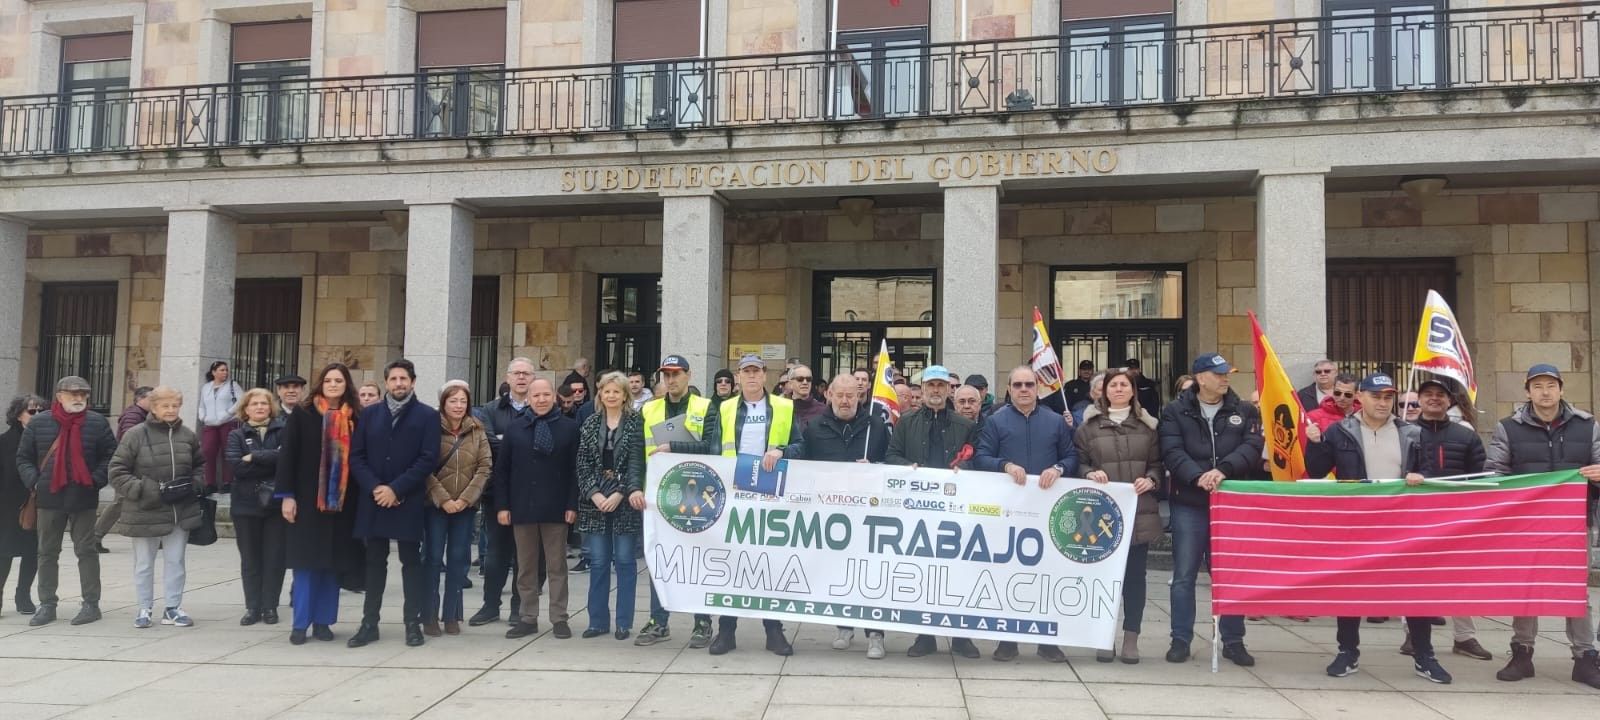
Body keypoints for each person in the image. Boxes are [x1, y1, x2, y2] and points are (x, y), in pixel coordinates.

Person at [1302, 372, 1451, 683]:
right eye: (1376, 396)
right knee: (1350, 589)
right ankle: (1347, 652)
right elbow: (1316, 470)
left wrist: (1419, 476)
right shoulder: (1340, 431)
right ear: (1361, 399)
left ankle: (1424, 656)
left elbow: (1430, 470)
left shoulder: (1411, 432)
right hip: (1356, 524)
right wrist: (1314, 443)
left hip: (1403, 524)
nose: (1383, 403)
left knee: (1414, 589)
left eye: (1388, 397)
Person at [1484, 364, 1600, 688]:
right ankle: (1522, 652)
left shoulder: (1587, 425)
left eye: (1551, 385)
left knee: (1576, 588)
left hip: (1573, 521)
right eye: (1538, 386)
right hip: (1526, 524)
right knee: (1527, 585)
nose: (1545, 392)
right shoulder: (1508, 427)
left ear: (1561, 389)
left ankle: (1585, 656)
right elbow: (1494, 472)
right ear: (1527, 391)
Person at [1159, 353, 1259, 667]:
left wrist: (1224, 470)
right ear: (1201, 378)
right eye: (1218, 374)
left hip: (1229, 503)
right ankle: (1180, 640)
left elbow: (1252, 447)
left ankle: (1233, 640)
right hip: (1190, 502)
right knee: (1184, 576)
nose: (1225, 378)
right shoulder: (1176, 411)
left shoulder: (1244, 410)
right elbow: (1171, 450)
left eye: (1227, 373)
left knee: (1229, 574)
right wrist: (1197, 476)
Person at [972, 366, 1077, 663]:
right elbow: (982, 457)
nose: (1023, 389)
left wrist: (1058, 469)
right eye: (1017, 384)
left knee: (1048, 576)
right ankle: (1008, 640)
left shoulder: (1056, 422)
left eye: (1029, 384)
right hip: (1010, 512)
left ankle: (1047, 641)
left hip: (1047, 511)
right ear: (1008, 388)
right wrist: (1005, 465)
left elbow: (1072, 456)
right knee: (1010, 575)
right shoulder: (995, 421)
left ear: (1038, 388)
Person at [709, 354, 804, 656]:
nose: (751, 376)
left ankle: (773, 632)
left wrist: (782, 451)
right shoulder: (724, 408)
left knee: (768, 565)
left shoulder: (784, 407)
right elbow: (713, 449)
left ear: (765, 375)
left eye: (756, 371)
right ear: (737, 377)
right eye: (746, 371)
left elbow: (802, 448)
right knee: (732, 565)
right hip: (733, 495)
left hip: (770, 495)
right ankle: (726, 631)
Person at [885, 365, 981, 660]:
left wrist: (962, 468)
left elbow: (977, 459)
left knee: (958, 572)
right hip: (919, 511)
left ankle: (961, 636)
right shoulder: (906, 422)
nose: (936, 391)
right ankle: (924, 636)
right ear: (922, 390)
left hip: (956, 510)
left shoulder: (965, 425)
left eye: (941, 385)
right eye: (931, 386)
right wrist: (906, 467)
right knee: (925, 573)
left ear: (949, 389)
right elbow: (891, 455)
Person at [794, 373, 891, 658]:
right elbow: (803, 466)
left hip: (869, 515)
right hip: (832, 517)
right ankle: (844, 626)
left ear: (860, 397)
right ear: (830, 396)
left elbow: (892, 461)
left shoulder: (876, 426)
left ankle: (875, 634)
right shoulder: (814, 427)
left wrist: (874, 466)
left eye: (852, 395)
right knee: (840, 573)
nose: (846, 400)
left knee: (872, 574)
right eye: (841, 395)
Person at [1397, 377, 1493, 662]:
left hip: (1456, 519)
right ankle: (1412, 634)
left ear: (1449, 401)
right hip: (1414, 517)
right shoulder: (1405, 433)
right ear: (1420, 400)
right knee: (1413, 577)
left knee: (1459, 576)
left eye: (1440, 394)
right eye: (1428, 394)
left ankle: (1465, 637)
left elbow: (1481, 477)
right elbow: (1396, 471)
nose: (1434, 398)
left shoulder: (1466, 436)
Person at [348, 359, 440, 649]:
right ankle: (369, 623)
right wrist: (377, 488)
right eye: (393, 379)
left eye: (404, 378)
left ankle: (412, 624)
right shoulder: (370, 414)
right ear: (386, 383)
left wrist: (396, 488)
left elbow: (428, 458)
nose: (399, 383)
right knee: (374, 563)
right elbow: (356, 457)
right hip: (373, 499)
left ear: (413, 382)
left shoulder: (427, 416)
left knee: (411, 563)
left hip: (407, 499)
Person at [1077, 369, 1163, 665]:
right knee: (1103, 580)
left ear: (1132, 390)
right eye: (1112, 385)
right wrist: (1089, 473)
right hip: (1100, 517)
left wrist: (1151, 479)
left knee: (1135, 579)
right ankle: (1104, 637)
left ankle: (1131, 638)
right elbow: (1078, 462)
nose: (1118, 389)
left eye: (1123, 384)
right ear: (1103, 391)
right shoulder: (1088, 428)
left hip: (1137, 513)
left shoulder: (1148, 426)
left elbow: (1158, 464)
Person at [276, 363, 365, 645]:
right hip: (307, 499)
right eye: (328, 380)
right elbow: (288, 456)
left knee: (331, 563)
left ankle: (324, 622)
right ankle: (300, 623)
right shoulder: (304, 414)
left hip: (342, 502)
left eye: (339, 380)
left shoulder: (356, 416)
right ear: (321, 383)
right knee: (306, 563)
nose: (334, 384)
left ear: (346, 384)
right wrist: (287, 496)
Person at [18, 376, 116, 627]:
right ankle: (47, 604)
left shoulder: (97, 423)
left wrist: (95, 480)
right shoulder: (39, 422)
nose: (78, 398)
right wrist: (35, 481)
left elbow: (111, 456)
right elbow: (24, 458)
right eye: (72, 394)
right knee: (47, 552)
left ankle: (91, 604)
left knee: (86, 551)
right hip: (49, 497)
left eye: (83, 394)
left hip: (83, 496)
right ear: (59, 396)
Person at [637, 354, 721, 648]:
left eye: (676, 374)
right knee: (660, 560)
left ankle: (702, 622)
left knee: (698, 561)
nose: (671, 380)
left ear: (688, 375)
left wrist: (674, 445)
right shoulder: (649, 409)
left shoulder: (706, 407)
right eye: (666, 375)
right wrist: (636, 487)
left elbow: (713, 446)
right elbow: (638, 452)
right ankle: (658, 621)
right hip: (660, 497)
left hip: (698, 497)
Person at [108, 386, 204, 629]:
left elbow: (200, 466)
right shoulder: (135, 434)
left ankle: (172, 607)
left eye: (175, 405)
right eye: (165, 405)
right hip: (145, 509)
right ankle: (144, 607)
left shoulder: (188, 435)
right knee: (144, 562)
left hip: (179, 509)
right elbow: (117, 471)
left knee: (176, 561)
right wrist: (145, 490)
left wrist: (194, 484)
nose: (171, 410)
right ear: (154, 407)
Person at [497, 377, 580, 640]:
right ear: (528, 398)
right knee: (526, 567)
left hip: (556, 507)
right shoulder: (515, 428)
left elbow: (574, 471)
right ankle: (527, 617)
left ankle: (559, 618)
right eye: (536, 396)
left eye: (546, 394)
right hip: (522, 506)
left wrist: (571, 504)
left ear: (554, 396)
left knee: (557, 567)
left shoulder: (569, 428)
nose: (541, 400)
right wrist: (503, 506)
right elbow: (502, 471)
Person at [577, 372, 646, 641]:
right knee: (599, 562)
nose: (611, 395)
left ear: (625, 395)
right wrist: (593, 494)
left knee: (626, 561)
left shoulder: (635, 423)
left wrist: (621, 492)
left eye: (616, 391)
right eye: (607, 391)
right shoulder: (591, 423)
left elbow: (636, 463)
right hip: (595, 501)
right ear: (600, 395)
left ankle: (623, 622)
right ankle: (597, 621)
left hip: (625, 500)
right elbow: (582, 463)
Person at [469, 358, 536, 627]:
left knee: (525, 555)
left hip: (531, 494)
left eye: (526, 373)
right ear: (507, 378)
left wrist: (504, 439)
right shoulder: (489, 410)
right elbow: (489, 447)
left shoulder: (541, 408)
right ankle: (490, 605)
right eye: (516, 373)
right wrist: (516, 444)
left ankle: (519, 607)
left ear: (533, 378)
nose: (521, 378)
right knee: (496, 554)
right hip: (498, 493)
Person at [424, 380, 491, 637]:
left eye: (463, 401)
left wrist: (465, 499)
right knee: (431, 559)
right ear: (443, 403)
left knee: (457, 561)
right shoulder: (431, 430)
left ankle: (452, 615)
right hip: (434, 506)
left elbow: (485, 467)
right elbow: (424, 467)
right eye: (453, 400)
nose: (459, 406)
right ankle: (429, 614)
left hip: (465, 507)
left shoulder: (477, 430)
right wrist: (444, 499)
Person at [226, 388, 288, 626]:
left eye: (264, 403)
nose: (260, 407)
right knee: (250, 559)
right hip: (245, 505)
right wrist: (270, 458)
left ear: (271, 407)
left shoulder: (283, 431)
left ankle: (270, 606)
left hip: (276, 505)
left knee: (274, 558)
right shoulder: (236, 435)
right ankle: (252, 607)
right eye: (255, 404)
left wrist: (253, 457)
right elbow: (237, 467)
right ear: (246, 408)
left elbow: (286, 461)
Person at [0, 395, 45, 617]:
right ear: (19, 415)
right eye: (31, 411)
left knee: (33, 552)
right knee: (3, 553)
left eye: (40, 411)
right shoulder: (3, 442)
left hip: (35, 504)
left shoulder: (44, 441)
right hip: (7, 506)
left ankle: (23, 595)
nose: (36, 415)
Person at [96, 386, 154, 554]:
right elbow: (131, 438)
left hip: (136, 464)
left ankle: (154, 536)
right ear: (140, 399)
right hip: (130, 466)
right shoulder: (133, 416)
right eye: (151, 398)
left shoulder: (142, 415)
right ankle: (95, 535)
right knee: (120, 502)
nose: (154, 402)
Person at [197, 361, 242, 492]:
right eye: (222, 370)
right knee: (207, 451)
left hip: (228, 422)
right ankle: (209, 483)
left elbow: (241, 401)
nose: (225, 373)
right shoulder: (206, 387)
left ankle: (228, 482)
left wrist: (228, 413)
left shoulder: (233, 385)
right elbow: (202, 405)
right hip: (210, 423)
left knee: (227, 452)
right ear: (214, 372)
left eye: (226, 370)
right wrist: (203, 417)